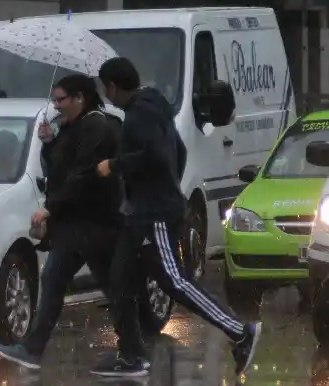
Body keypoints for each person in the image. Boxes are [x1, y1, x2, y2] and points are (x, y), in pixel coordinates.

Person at [93, 57, 262, 378]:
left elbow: (155, 156)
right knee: (120, 279)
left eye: (105, 88)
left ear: (113, 86)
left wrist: (115, 166)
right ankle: (131, 355)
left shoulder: (139, 115)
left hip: (153, 212)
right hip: (145, 211)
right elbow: (178, 153)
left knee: (175, 280)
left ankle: (240, 332)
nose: (105, 94)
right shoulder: (154, 107)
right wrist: (169, 187)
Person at [0, 74, 126, 370]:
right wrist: (49, 143)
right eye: (54, 100)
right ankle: (33, 349)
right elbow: (60, 168)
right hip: (74, 225)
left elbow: (82, 176)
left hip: (95, 222)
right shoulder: (72, 126)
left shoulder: (96, 127)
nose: (57, 106)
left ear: (80, 97)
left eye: (61, 99)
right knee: (54, 280)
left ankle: (133, 351)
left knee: (113, 288)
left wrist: (50, 208)